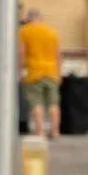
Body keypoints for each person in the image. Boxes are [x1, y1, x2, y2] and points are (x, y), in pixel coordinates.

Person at [19, 9, 62, 138]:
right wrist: (59, 73)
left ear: (29, 19)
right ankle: (55, 131)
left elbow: (22, 52)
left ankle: (40, 131)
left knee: (37, 103)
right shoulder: (52, 32)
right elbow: (58, 54)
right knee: (53, 103)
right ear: (41, 19)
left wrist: (20, 70)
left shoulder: (24, 31)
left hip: (34, 72)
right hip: (51, 71)